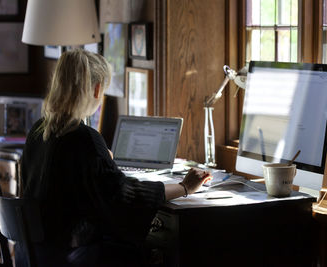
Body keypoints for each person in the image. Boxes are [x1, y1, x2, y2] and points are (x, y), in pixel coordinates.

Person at [20, 49, 211, 266]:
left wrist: (103, 161)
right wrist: (185, 186)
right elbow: (125, 196)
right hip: (71, 257)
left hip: (35, 254)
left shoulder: (39, 131)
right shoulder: (84, 138)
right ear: (97, 89)